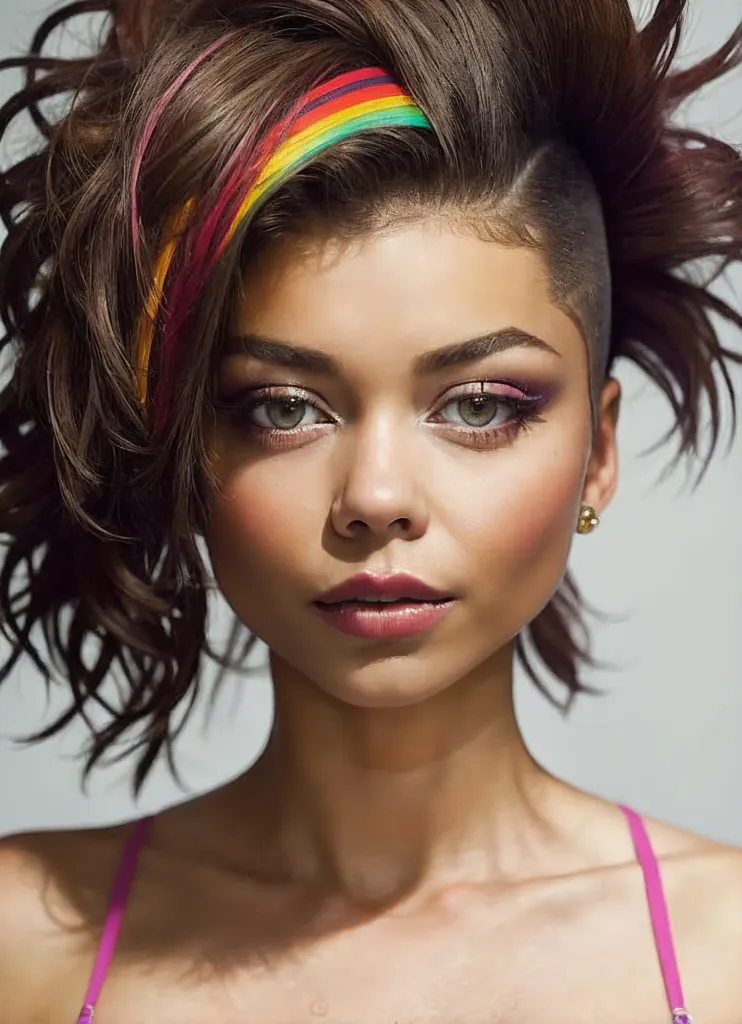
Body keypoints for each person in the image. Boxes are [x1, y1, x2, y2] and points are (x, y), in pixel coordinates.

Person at [0, 0, 741, 1020]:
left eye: (479, 405)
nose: (377, 499)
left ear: (598, 451)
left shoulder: (725, 954)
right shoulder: (26, 938)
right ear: (181, 443)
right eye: (281, 407)